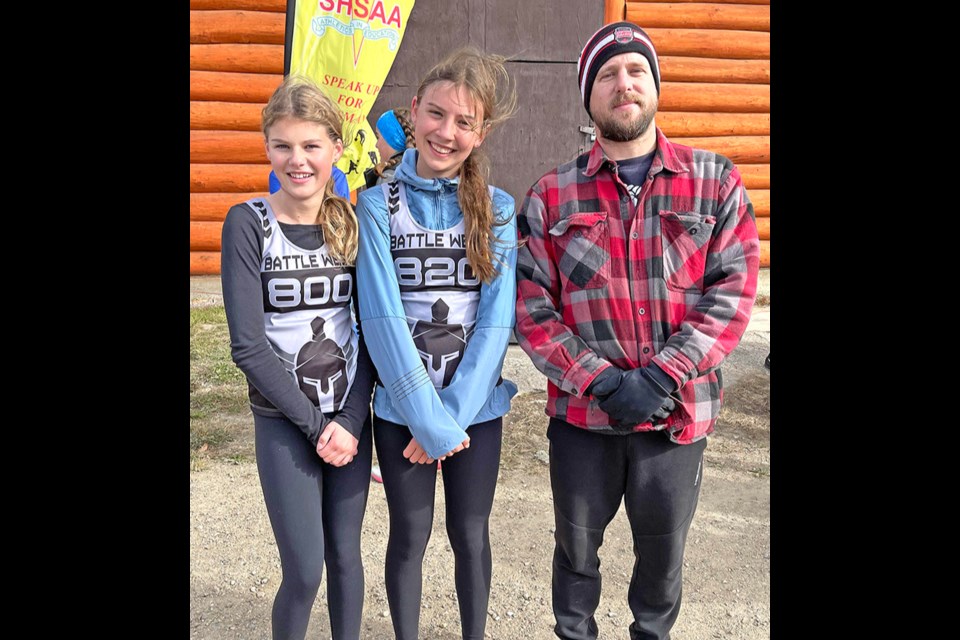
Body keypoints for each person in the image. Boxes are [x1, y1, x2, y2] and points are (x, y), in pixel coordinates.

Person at [514, 22, 761, 640]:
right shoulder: (551, 195)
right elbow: (531, 311)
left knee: (662, 563)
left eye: (635, 72)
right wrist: (599, 382)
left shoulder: (716, 182)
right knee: (575, 555)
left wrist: (659, 376)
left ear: (654, 86)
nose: (623, 85)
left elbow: (732, 294)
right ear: (588, 97)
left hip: (676, 418)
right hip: (582, 421)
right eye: (606, 75)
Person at [355, 46, 518, 640]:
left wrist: (451, 419)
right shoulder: (376, 205)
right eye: (437, 115)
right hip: (403, 414)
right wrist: (426, 420)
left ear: (481, 133)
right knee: (409, 535)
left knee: (470, 534)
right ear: (415, 110)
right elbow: (381, 318)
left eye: (464, 122)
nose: (446, 133)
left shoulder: (498, 211)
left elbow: (497, 325)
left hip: (476, 410)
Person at [220, 75, 376, 640]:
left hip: (349, 422)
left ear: (336, 147)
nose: (298, 160)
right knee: (306, 569)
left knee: (346, 559)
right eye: (283, 145)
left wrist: (351, 421)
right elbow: (248, 346)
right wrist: (318, 429)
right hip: (286, 422)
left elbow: (374, 332)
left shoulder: (352, 225)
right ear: (267, 148)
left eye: (311, 145)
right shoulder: (248, 223)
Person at [363, 107, 416, 191]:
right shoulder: (420, 170)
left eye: (378, 137)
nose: (376, 145)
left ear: (392, 139)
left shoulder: (388, 178)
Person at [270, 165, 350, 199]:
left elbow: (342, 214)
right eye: (284, 146)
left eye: (310, 146)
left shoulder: (336, 176)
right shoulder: (277, 175)